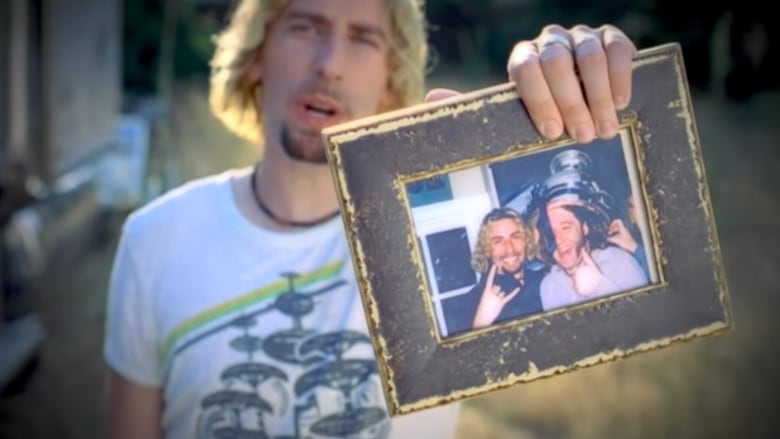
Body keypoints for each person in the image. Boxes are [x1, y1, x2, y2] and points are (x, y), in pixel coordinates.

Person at [102, 0, 639, 437]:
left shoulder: (429, 234)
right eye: (306, 26)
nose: (329, 61)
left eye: (363, 37)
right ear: (257, 54)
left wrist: (572, 82)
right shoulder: (155, 239)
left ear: (390, 79)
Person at [536, 151, 649, 311]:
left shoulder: (620, 264)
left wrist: (599, 286)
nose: (558, 240)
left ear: (585, 227)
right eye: (551, 231)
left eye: (566, 227)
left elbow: (649, 323)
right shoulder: (548, 286)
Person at [469, 208, 544, 330]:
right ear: (486, 249)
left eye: (515, 236)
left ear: (526, 240)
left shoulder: (544, 281)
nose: (509, 248)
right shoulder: (473, 301)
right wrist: (480, 324)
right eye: (498, 241)